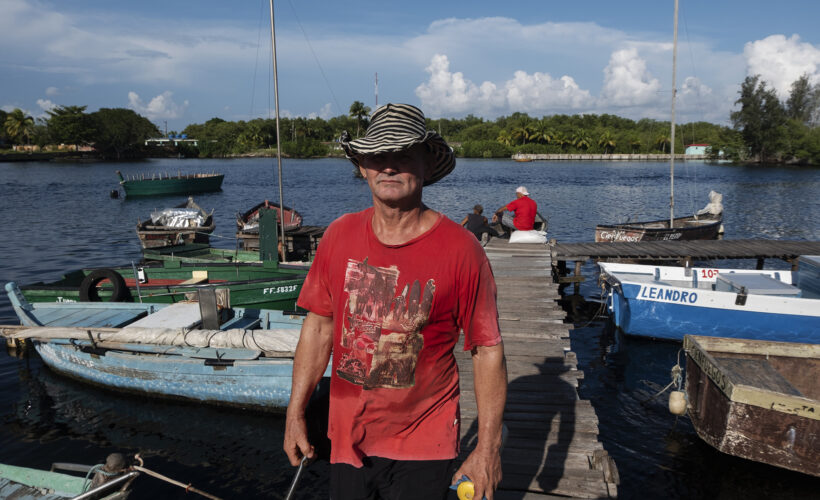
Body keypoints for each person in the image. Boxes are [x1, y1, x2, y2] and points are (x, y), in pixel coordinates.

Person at [284, 103, 507, 500]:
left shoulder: (462, 249)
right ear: (364, 167)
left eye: (402, 154)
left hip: (424, 439)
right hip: (346, 435)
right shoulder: (338, 235)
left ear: (425, 164)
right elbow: (319, 328)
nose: (388, 166)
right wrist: (295, 412)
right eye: (377, 156)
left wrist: (487, 449)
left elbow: (487, 349)